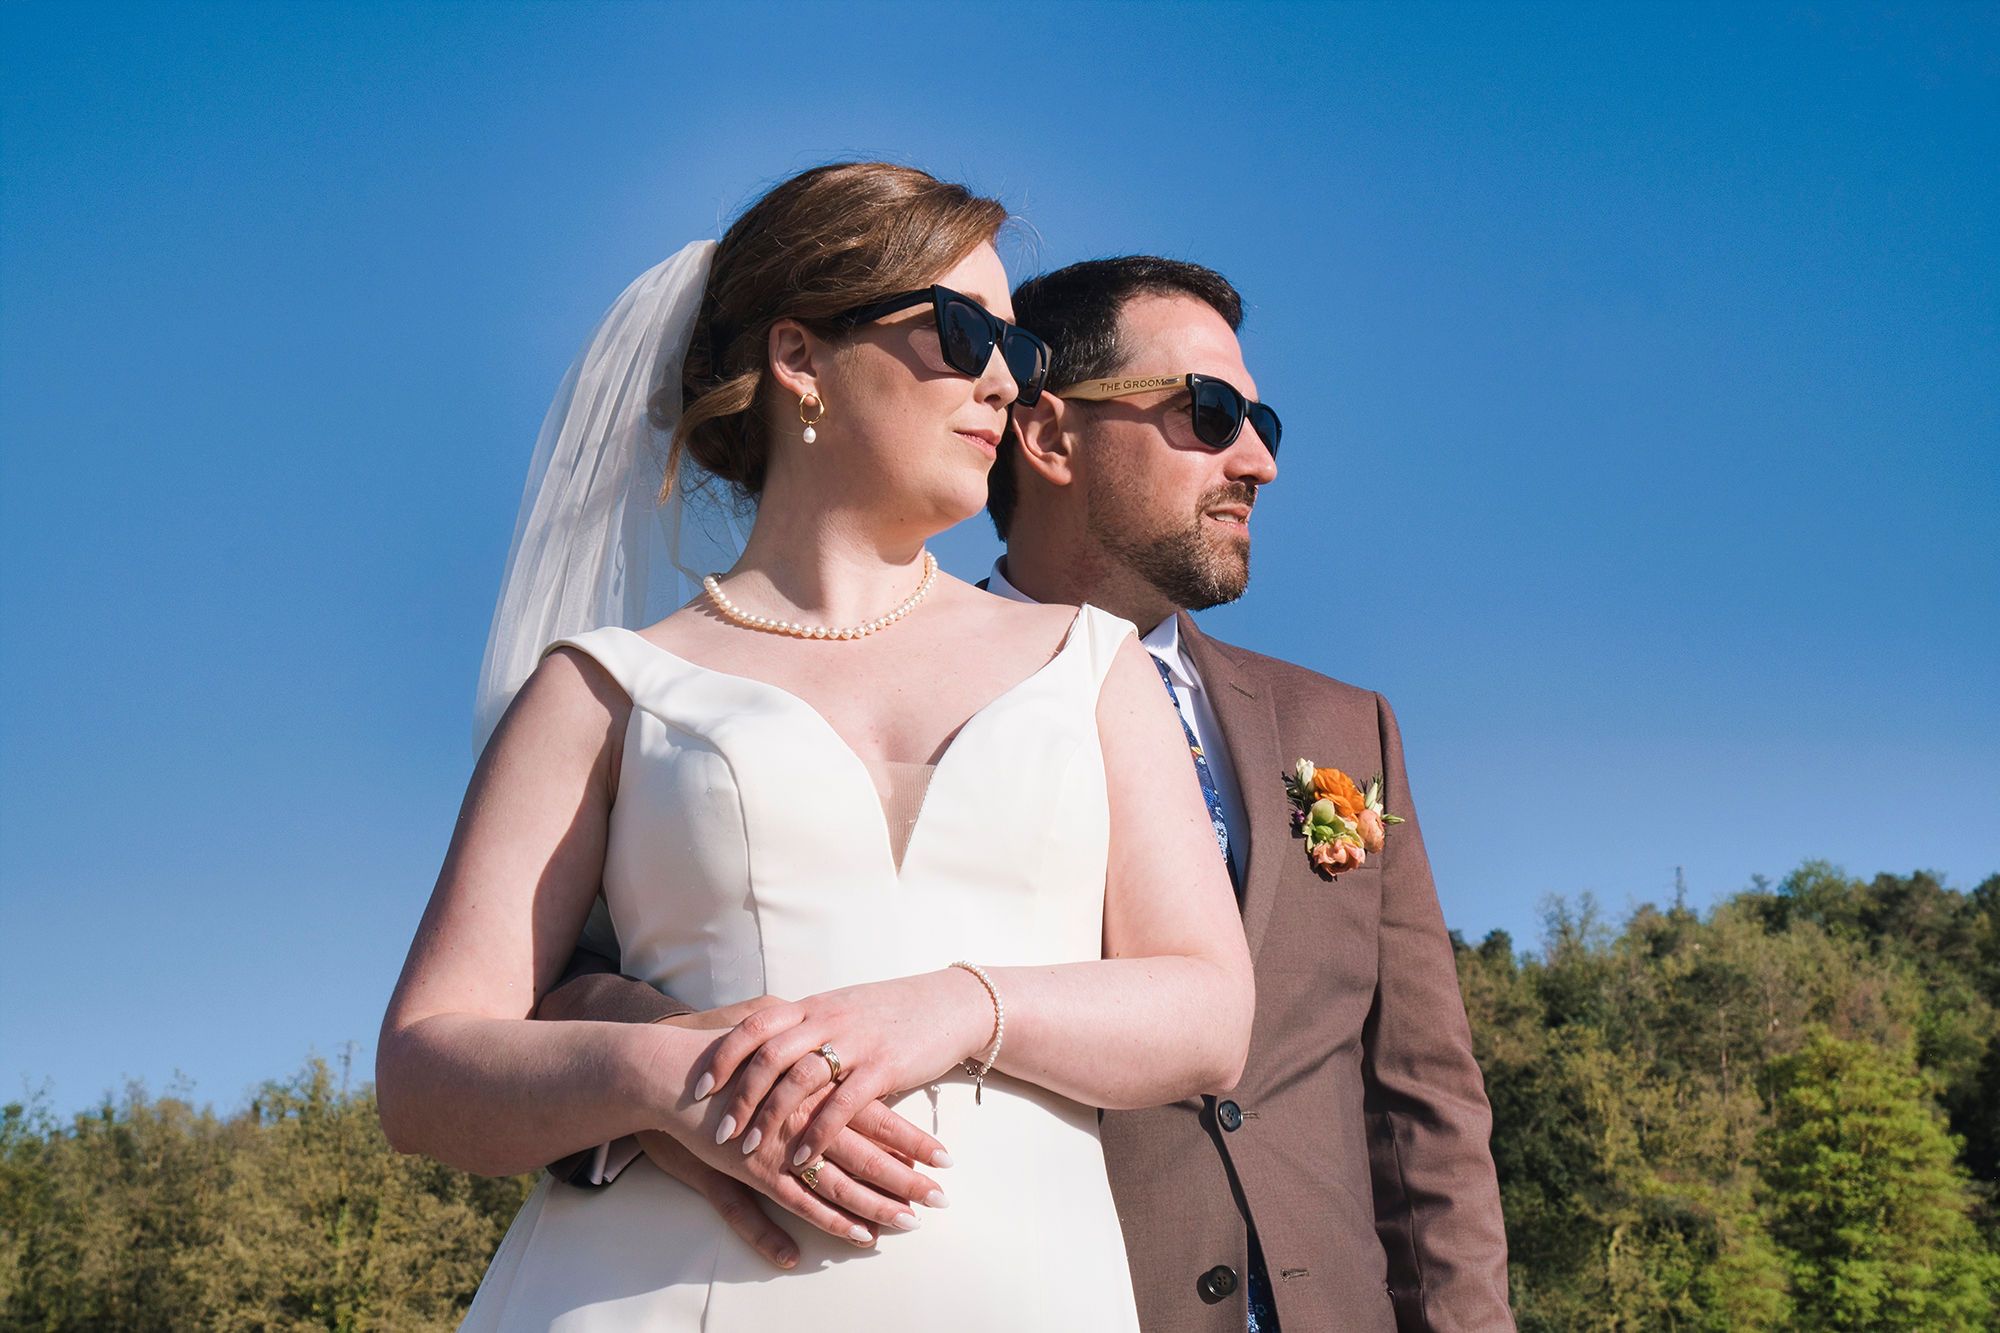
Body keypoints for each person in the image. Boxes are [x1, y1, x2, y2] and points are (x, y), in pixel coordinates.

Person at [544, 256, 1515, 1331]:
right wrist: (703, 1079)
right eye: (1209, 412)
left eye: (1262, 423)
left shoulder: (1344, 729)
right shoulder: (840, 687)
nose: (1258, 460)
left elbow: (1425, 1105)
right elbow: (550, 985)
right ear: (1046, 436)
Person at [373, 164, 1255, 1331]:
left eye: (1019, 348)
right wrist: (661, 1078)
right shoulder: (602, 689)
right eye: (963, 332)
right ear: (799, 355)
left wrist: (956, 1006)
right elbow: (424, 1070)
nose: (1003, 378)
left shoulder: (1087, 662)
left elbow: (1208, 1011)